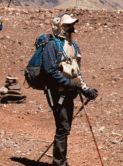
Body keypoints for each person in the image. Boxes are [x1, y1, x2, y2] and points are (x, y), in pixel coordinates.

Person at [42, 14, 98, 166]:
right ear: (60, 27)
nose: (71, 29)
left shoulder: (74, 46)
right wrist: (69, 83)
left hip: (68, 92)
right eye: (67, 26)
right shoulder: (51, 45)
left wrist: (87, 90)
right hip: (55, 92)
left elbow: (76, 73)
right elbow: (49, 71)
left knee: (65, 128)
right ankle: (59, 162)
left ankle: (61, 160)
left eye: (71, 26)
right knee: (63, 127)